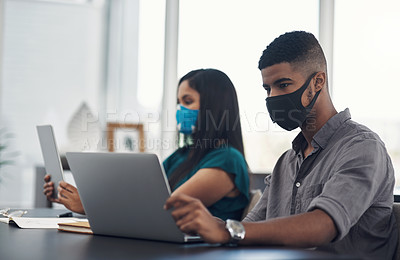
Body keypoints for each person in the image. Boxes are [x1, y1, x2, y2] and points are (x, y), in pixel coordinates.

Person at [165, 31, 398, 260]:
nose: (273, 97)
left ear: (318, 82)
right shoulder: (286, 162)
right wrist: (217, 227)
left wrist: (229, 231)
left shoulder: (362, 148)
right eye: (267, 89)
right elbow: (248, 228)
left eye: (283, 85)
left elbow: (323, 225)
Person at [44, 68, 250, 221]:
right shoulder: (182, 155)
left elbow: (166, 209)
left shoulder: (228, 160)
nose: (179, 109)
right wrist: (75, 196)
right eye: (178, 102)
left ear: (213, 106)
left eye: (187, 101)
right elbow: (141, 195)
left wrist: (89, 205)